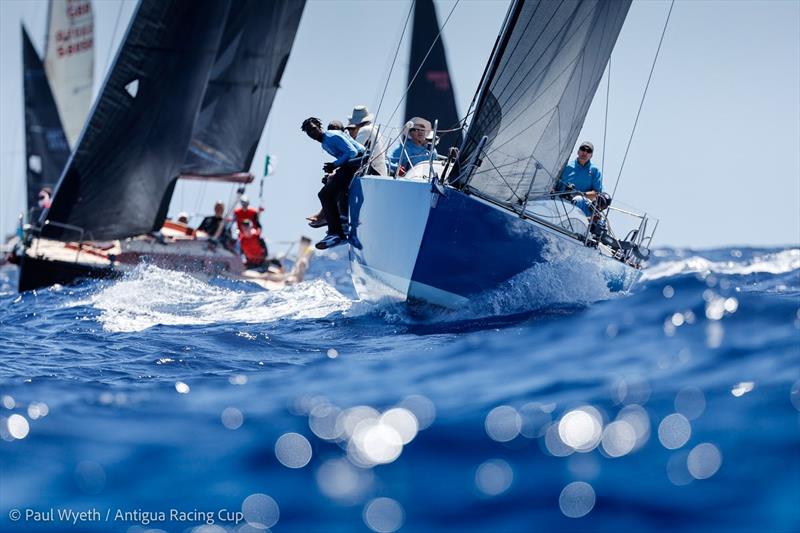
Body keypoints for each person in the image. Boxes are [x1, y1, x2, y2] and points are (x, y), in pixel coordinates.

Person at [301, 117, 365, 250]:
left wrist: (334, 165)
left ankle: (335, 232)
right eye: (309, 132)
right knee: (328, 189)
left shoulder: (331, 136)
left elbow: (353, 152)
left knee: (325, 195)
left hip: (359, 162)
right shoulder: (324, 142)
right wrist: (334, 167)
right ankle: (337, 227)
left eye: (313, 129)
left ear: (319, 126)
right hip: (353, 164)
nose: (312, 133)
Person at [553, 141, 605, 217]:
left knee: (578, 199)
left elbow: (597, 193)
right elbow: (554, 184)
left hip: (580, 207)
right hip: (559, 202)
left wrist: (579, 194)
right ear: (578, 152)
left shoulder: (595, 171)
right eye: (583, 149)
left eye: (588, 151)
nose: (585, 152)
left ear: (591, 155)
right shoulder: (566, 166)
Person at [345, 105, 387, 176]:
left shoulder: (365, 130)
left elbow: (354, 152)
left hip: (373, 172)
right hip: (381, 172)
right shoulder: (375, 129)